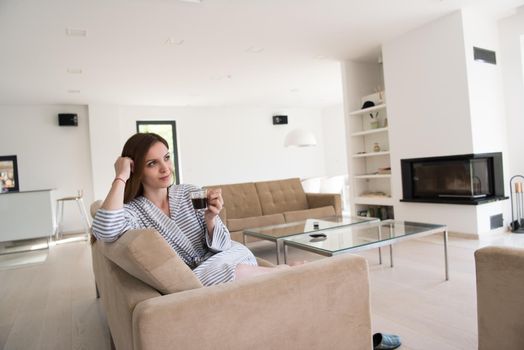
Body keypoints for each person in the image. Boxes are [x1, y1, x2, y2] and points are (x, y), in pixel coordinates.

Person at [91, 132, 284, 286]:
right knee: (229, 271)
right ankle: (283, 274)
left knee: (238, 255)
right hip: (194, 278)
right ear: (136, 170)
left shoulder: (189, 193)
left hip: (225, 258)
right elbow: (105, 231)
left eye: (166, 158)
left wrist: (211, 219)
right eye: (152, 164)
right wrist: (121, 176)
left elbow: (224, 246)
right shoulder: (133, 211)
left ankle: (280, 274)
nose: (165, 168)